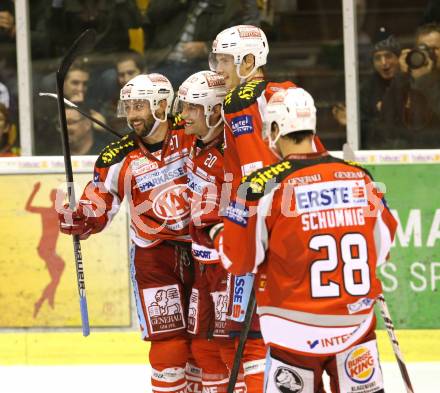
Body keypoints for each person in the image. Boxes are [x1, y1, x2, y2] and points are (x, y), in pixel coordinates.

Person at [213, 87, 397, 392]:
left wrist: (219, 234)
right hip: (354, 325)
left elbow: (238, 260)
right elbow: (383, 248)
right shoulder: (361, 177)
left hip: (293, 330)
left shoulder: (260, 186)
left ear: (274, 129)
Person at [58, 73, 196, 393]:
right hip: (154, 256)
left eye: (140, 107)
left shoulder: (193, 134)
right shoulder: (117, 156)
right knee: (168, 343)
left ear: (162, 105)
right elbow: (98, 204)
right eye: (128, 107)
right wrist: (81, 217)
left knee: (207, 344)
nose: (132, 115)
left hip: (204, 249)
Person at [178, 70, 266, 393]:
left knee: (236, 348)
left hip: (229, 265)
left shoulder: (230, 154)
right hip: (203, 264)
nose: (183, 115)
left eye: (191, 108)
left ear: (215, 112)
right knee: (203, 348)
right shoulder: (193, 143)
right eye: (183, 106)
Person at [144, 0, 260, 86]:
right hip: (160, 61)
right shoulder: (186, 4)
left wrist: (205, 47)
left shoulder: (231, 7)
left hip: (199, 67)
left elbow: (238, 41)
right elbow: (151, 15)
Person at [380, 22, 440, 148]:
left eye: (434, 49)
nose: (428, 53)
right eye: (423, 48)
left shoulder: (421, 79)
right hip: (410, 154)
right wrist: (401, 76)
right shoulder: (408, 79)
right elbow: (386, 119)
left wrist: (424, 80)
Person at [25, 182, 65, 318]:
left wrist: (35, 190)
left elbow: (28, 207)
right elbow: (28, 207)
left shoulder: (56, 212)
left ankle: (47, 298)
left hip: (48, 250)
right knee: (55, 279)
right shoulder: (55, 212)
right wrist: (34, 190)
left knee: (57, 274)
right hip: (45, 249)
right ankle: (43, 300)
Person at [360, 27, 401, 149]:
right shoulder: (367, 88)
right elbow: (363, 130)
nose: (384, 63)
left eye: (388, 56)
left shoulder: (410, 82)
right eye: (378, 58)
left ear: (398, 58)